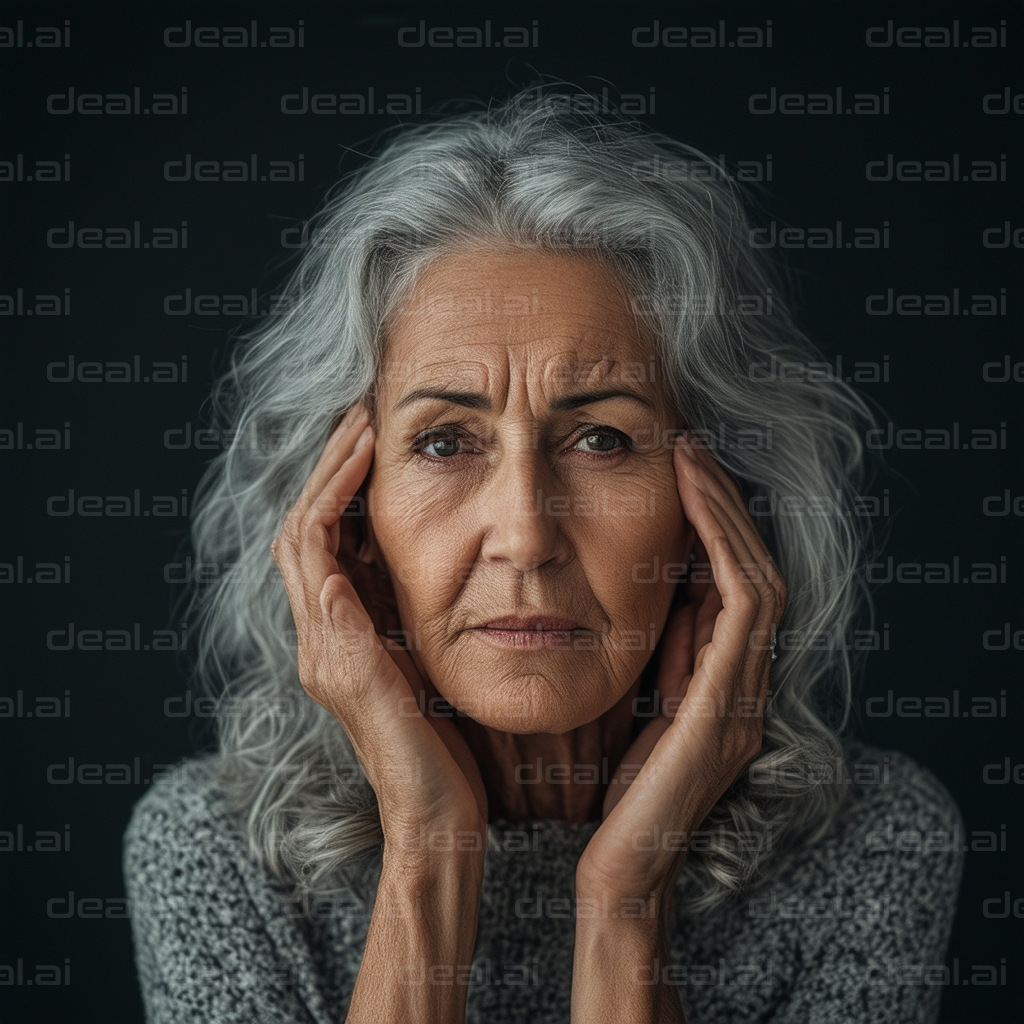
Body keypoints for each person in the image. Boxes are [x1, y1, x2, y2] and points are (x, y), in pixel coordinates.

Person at [124, 90, 962, 1023]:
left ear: (720, 499)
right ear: (349, 517)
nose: (524, 535)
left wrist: (626, 905)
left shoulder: (873, 845)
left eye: (601, 439)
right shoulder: (219, 852)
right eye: (446, 443)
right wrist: (429, 854)